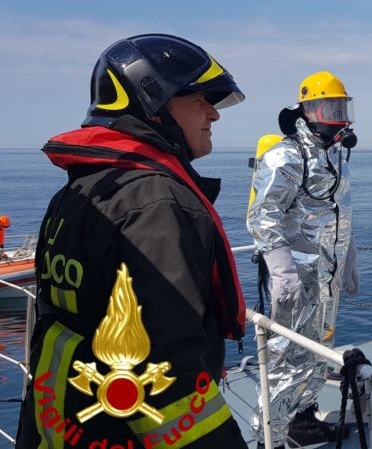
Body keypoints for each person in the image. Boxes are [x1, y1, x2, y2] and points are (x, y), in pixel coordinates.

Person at [16, 34, 248, 447]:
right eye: (199, 99)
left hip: (63, 425)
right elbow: (168, 374)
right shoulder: (158, 205)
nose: (213, 113)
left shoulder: (80, 192)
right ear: (154, 104)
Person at [247, 71, 359, 448]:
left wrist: (349, 261)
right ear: (308, 111)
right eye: (330, 109)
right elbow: (263, 216)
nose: (339, 119)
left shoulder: (335, 157)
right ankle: (269, 438)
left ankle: (302, 419)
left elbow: (339, 213)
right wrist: (282, 271)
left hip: (327, 277)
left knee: (319, 352)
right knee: (287, 359)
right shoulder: (286, 156)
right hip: (297, 280)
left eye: (342, 109)